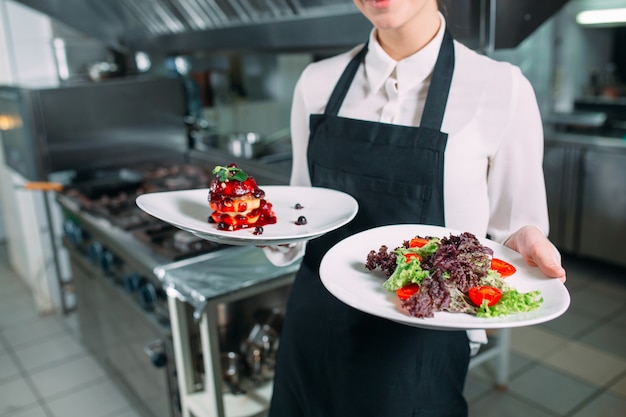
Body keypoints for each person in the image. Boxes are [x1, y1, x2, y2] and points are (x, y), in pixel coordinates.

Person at [263, 0, 567, 415]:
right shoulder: (316, 82)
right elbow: (304, 209)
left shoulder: (502, 87)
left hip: (420, 346)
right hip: (315, 326)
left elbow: (513, 230)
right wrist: (266, 228)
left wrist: (525, 242)